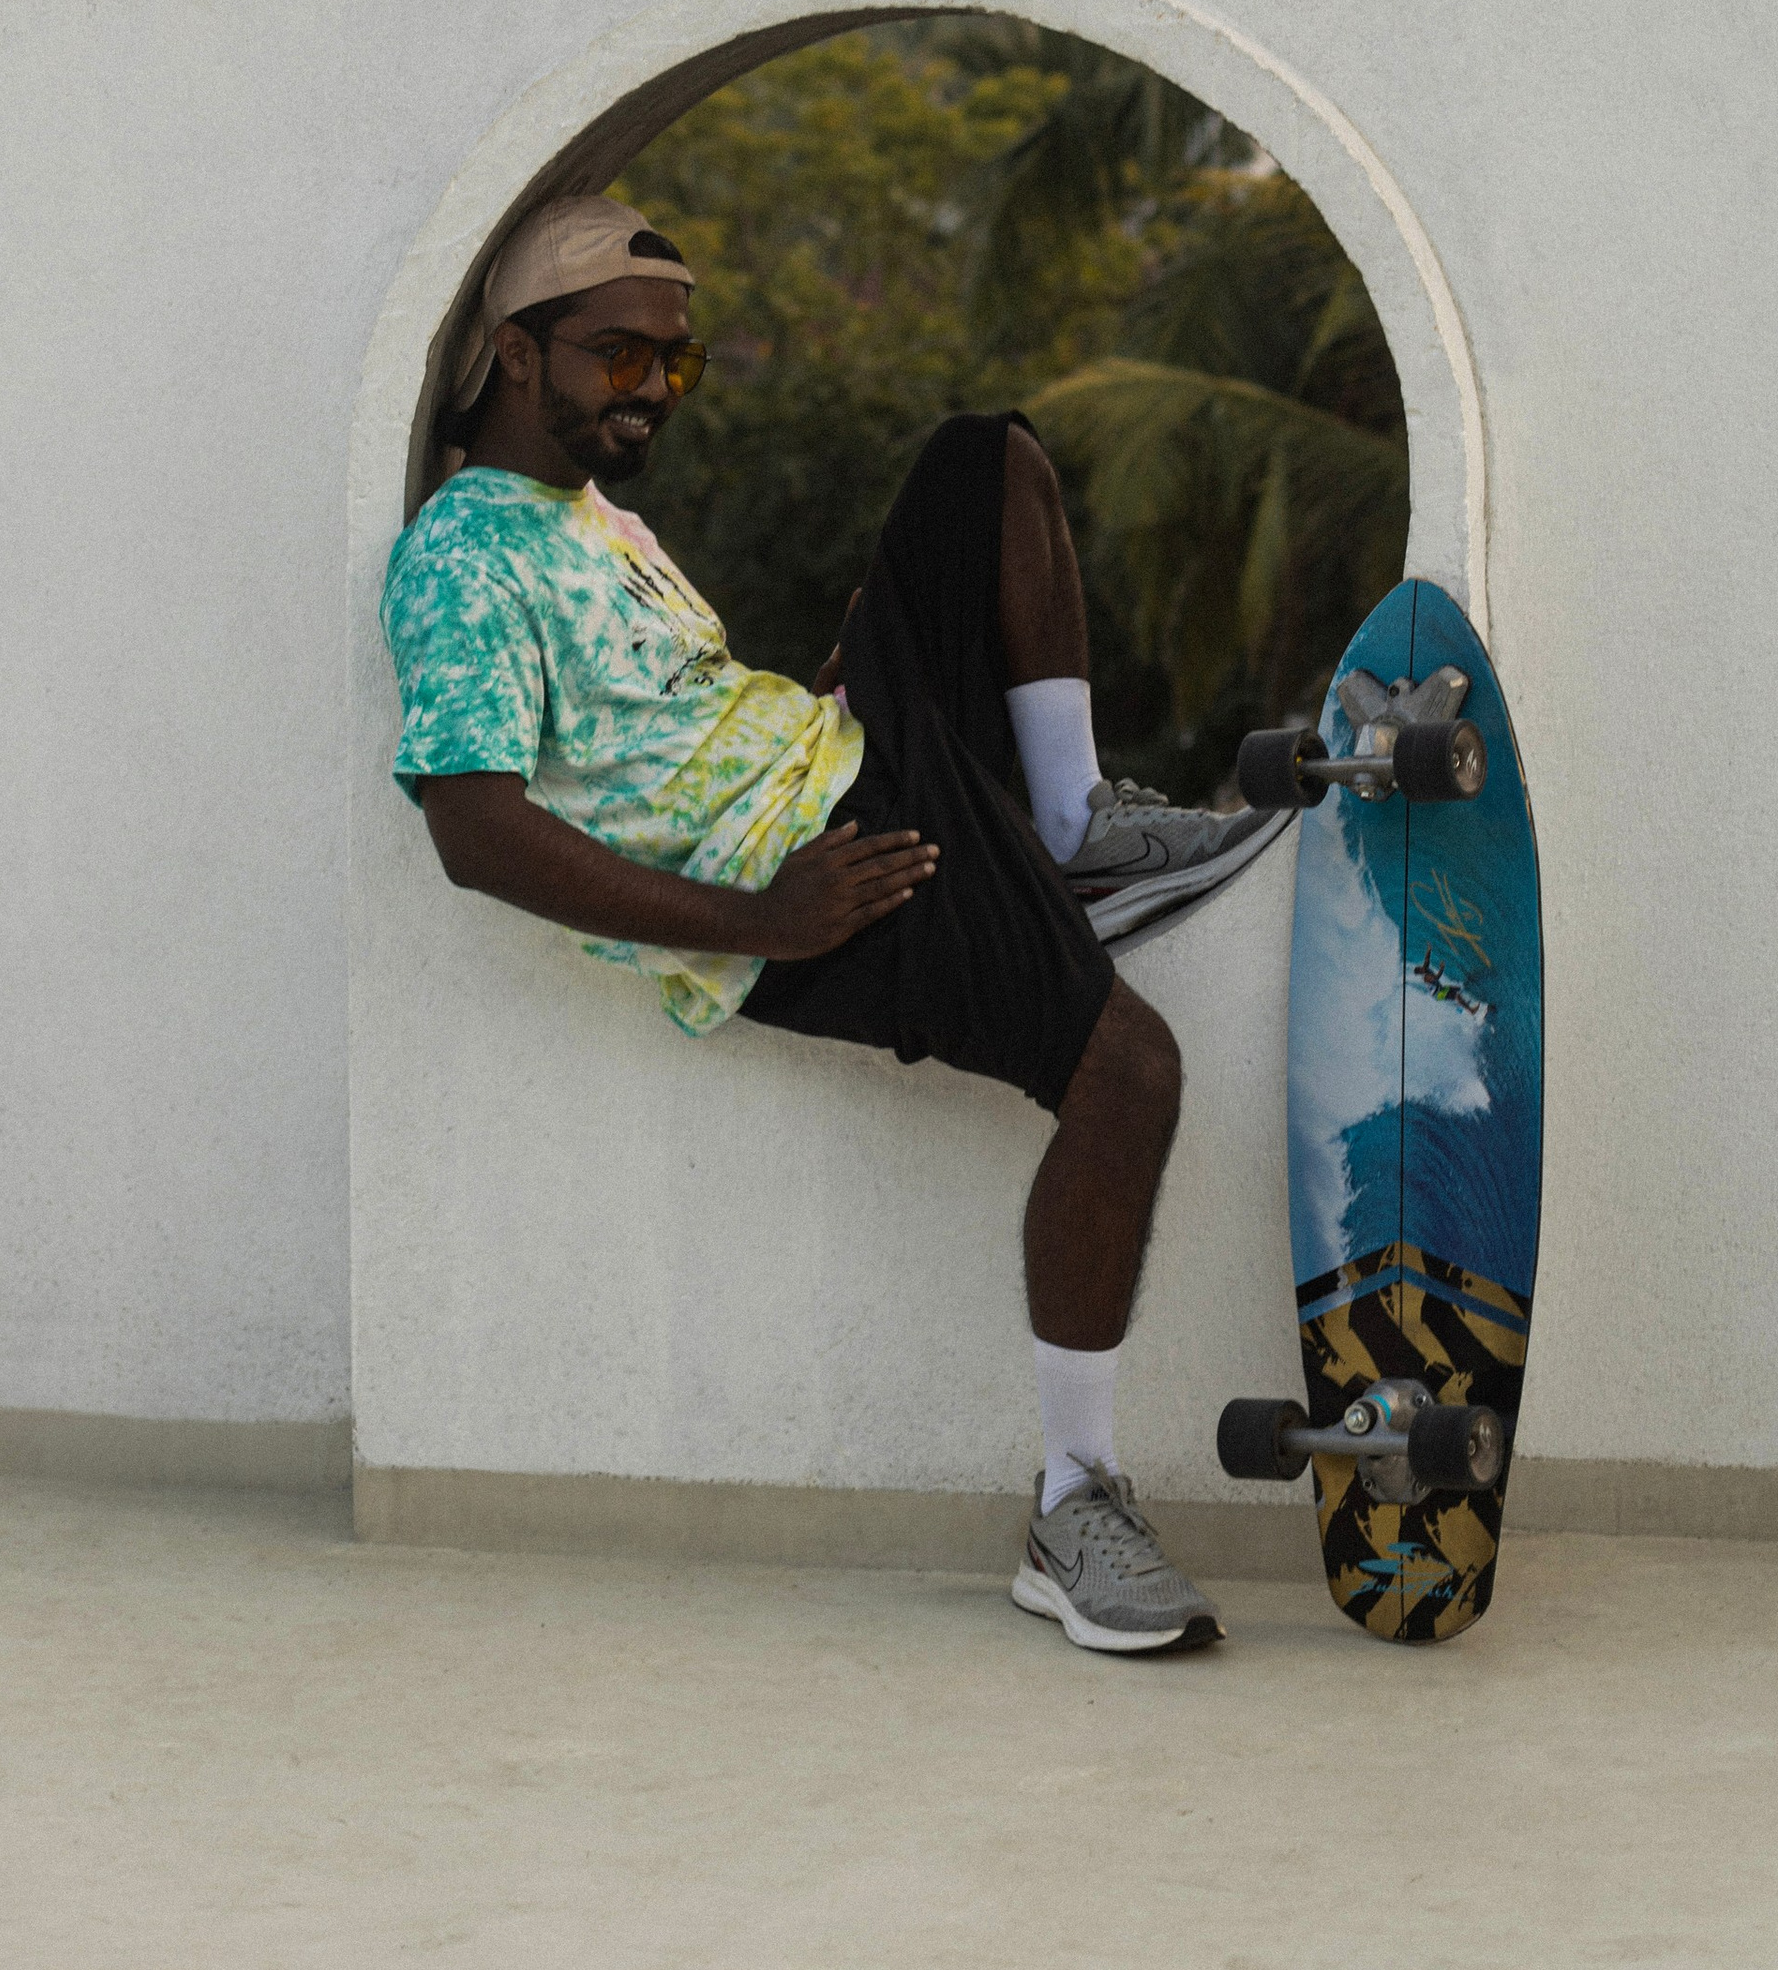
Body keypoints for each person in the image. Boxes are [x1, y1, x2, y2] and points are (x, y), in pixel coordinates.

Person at [380, 195, 1281, 1659]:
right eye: (617, 354)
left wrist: (839, 695)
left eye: (676, 361)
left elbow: (666, 724)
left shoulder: (593, 521)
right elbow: (472, 830)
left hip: (843, 768)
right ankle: (1076, 1503)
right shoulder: (459, 564)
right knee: (1130, 1074)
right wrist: (763, 921)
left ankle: (1068, 823)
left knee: (983, 461)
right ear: (515, 355)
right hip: (822, 875)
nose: (653, 388)